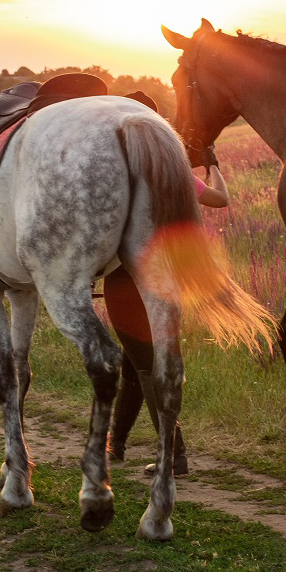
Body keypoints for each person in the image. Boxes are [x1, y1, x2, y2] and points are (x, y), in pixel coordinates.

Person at [106, 92, 229, 474]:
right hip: (166, 277)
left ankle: (174, 455)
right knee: (134, 360)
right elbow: (220, 199)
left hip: (124, 279)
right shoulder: (172, 174)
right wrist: (212, 166)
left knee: (145, 366)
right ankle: (118, 444)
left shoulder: (115, 173)